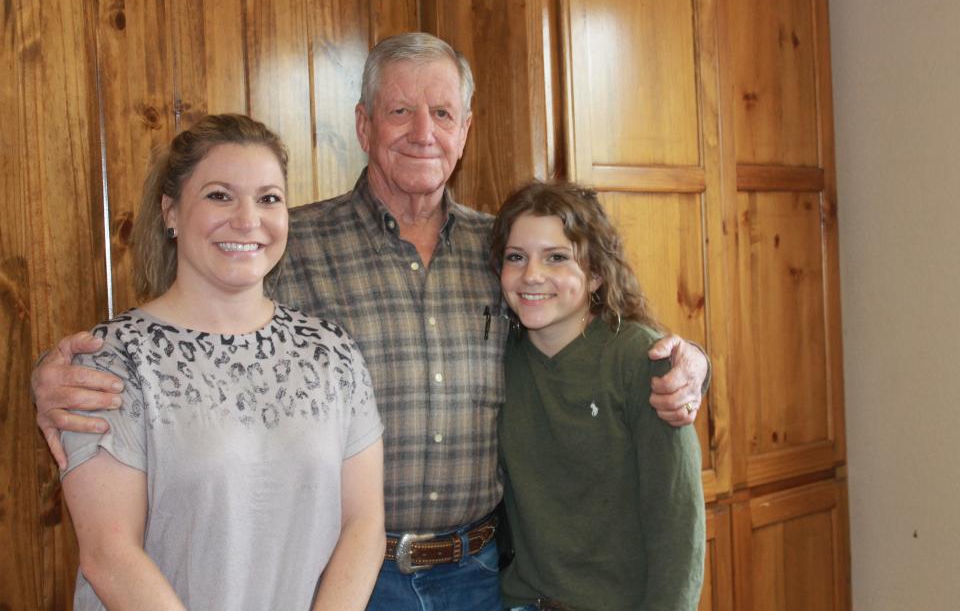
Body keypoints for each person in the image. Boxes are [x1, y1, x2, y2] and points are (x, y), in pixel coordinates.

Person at [32, 33, 709, 610]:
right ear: (363, 125)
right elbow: (185, 331)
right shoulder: (286, 243)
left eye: (443, 112)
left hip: (482, 573)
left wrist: (685, 360)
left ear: (465, 129)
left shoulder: (507, 255)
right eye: (400, 111)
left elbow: (594, 324)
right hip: (345, 577)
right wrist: (53, 377)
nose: (424, 132)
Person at [58, 114, 385, 610]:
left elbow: (364, 526)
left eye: (268, 198)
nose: (248, 219)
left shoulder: (332, 353)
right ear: (170, 210)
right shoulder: (115, 362)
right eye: (219, 195)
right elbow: (109, 555)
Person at [491, 181, 705, 611]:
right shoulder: (498, 358)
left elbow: (678, 524)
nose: (532, 274)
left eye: (556, 257)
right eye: (516, 257)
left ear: (595, 274)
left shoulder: (641, 359)